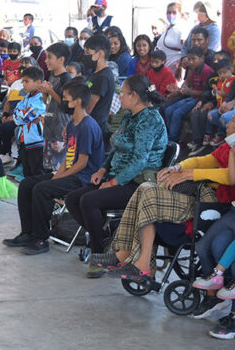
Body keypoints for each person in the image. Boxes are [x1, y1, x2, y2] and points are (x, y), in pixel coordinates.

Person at [92, 117, 235, 282]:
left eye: (232, 120)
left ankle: (139, 262)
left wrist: (191, 174)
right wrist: (178, 167)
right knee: (145, 188)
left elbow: (230, 176)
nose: (227, 123)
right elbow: (203, 160)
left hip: (213, 202)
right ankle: (125, 253)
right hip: (200, 194)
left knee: (150, 196)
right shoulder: (227, 146)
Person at [67, 75, 167, 276]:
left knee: (88, 201)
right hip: (117, 175)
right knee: (72, 199)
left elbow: (139, 160)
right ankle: (105, 240)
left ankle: (98, 255)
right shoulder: (129, 115)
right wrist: (103, 169)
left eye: (122, 93)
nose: (119, 97)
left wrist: (113, 182)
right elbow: (117, 148)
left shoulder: (150, 120)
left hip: (137, 183)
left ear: (135, 95)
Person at [3, 82, 105, 255]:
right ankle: (28, 232)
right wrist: (57, 175)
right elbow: (69, 157)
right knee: (27, 184)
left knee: (42, 189)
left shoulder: (87, 126)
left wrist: (59, 177)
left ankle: (41, 238)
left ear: (78, 101)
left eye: (66, 98)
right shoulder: (73, 123)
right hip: (71, 173)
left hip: (84, 177)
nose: (63, 100)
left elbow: (82, 163)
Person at [162, 46, 213, 143]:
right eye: (189, 59)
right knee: (168, 110)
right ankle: (168, 135)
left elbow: (207, 92)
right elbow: (187, 82)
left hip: (199, 99)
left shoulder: (207, 71)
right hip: (191, 96)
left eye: (194, 59)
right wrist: (181, 89)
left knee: (177, 113)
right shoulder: (192, 68)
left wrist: (189, 92)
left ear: (202, 58)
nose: (191, 62)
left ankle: (174, 139)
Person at [39, 42, 72, 172]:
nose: (46, 61)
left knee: (57, 167)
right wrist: (44, 91)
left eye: (49, 57)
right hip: (49, 125)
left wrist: (51, 91)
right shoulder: (52, 75)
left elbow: (67, 106)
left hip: (60, 129)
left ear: (61, 60)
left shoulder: (66, 79)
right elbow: (46, 101)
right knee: (47, 165)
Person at [12, 66, 46, 178]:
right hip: (25, 140)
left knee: (37, 172)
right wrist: (21, 114)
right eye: (23, 81)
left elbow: (24, 117)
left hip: (37, 142)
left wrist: (21, 114)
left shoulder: (41, 98)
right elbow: (16, 114)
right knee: (27, 172)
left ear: (38, 82)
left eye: (26, 81)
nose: (23, 84)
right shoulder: (26, 97)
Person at [198, 59, 235, 151]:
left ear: (231, 70)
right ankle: (209, 133)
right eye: (220, 73)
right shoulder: (220, 80)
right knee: (210, 115)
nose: (221, 75)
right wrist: (216, 93)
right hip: (221, 105)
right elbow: (223, 93)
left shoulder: (232, 80)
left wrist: (224, 96)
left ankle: (221, 134)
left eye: (224, 72)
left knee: (224, 118)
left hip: (229, 108)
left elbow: (229, 94)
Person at [84, 34, 115, 135]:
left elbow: (88, 107)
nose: (85, 56)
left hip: (95, 128)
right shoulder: (96, 74)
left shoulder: (103, 76)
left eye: (88, 52)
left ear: (100, 53)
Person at [155, 2, 184, 72]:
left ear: (180, 14)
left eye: (174, 12)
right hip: (163, 67)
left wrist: (180, 66)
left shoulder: (182, 29)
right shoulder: (167, 28)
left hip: (175, 67)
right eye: (168, 12)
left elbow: (185, 48)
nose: (171, 15)